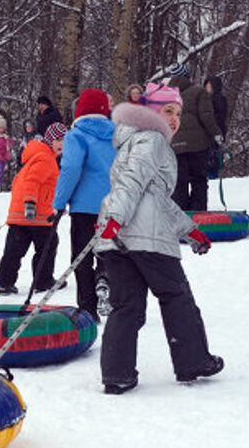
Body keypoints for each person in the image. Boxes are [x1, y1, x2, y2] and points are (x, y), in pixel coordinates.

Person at [94, 83, 224, 394]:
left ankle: (117, 374)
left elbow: (155, 198)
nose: (175, 118)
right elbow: (133, 181)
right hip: (144, 236)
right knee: (177, 298)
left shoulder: (132, 140)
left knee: (126, 305)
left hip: (121, 237)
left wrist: (188, 230)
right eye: (168, 111)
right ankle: (193, 362)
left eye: (178, 112)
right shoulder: (152, 139)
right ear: (151, 112)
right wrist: (116, 218)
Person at [52, 88, 116, 320]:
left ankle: (88, 307)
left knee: (81, 256)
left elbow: (70, 169)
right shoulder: (118, 134)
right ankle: (106, 279)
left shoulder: (76, 135)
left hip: (84, 208)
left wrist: (59, 202)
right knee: (109, 251)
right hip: (114, 206)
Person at [0, 123, 68, 295]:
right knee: (47, 246)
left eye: (65, 141)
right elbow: (32, 182)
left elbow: (44, 187)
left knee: (15, 249)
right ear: (49, 140)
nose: (62, 144)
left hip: (21, 214)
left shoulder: (36, 156)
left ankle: (4, 282)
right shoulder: (45, 159)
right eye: (58, 139)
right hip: (36, 214)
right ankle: (43, 281)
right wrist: (30, 203)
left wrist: (55, 206)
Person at [167, 63, 222, 210]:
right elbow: (207, 116)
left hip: (175, 145)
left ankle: (180, 214)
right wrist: (216, 133)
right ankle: (198, 214)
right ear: (187, 76)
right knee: (199, 180)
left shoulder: (166, 95)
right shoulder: (199, 91)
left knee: (180, 182)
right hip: (198, 145)